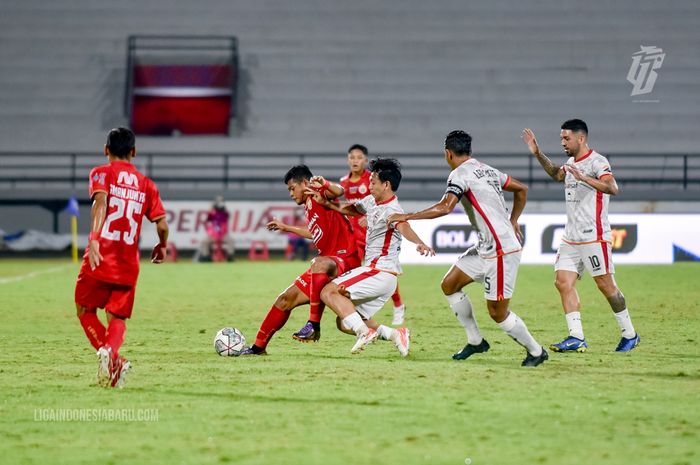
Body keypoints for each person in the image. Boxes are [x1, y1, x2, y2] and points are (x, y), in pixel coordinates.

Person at [388, 130, 548, 367]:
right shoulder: (488, 170)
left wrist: (407, 215)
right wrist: (513, 220)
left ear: (448, 153)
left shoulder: (458, 175)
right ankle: (476, 341)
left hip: (501, 251)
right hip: (486, 247)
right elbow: (521, 189)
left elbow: (445, 208)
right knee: (449, 284)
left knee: (498, 313)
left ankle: (536, 351)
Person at [522, 119, 640, 352]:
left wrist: (584, 178)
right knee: (562, 282)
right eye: (561, 138)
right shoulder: (570, 163)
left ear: (581, 138)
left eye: (566, 138)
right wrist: (538, 154)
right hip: (571, 238)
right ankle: (576, 336)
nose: (563, 142)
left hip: (594, 236)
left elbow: (612, 188)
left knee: (606, 286)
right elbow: (557, 174)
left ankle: (630, 334)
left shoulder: (597, 162)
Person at [74, 127, 169, 388]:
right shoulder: (146, 184)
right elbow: (161, 224)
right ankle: (113, 358)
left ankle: (110, 355)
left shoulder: (101, 173)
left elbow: (100, 202)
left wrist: (93, 238)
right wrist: (162, 245)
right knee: (117, 318)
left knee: (85, 310)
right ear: (134, 152)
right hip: (128, 263)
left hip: (100, 256)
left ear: (106, 150)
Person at [317, 158, 434, 356]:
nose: (369, 186)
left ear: (386, 185)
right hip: (382, 276)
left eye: (373, 182)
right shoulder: (372, 201)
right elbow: (352, 209)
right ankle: (396, 334)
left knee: (327, 291)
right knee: (344, 322)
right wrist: (327, 203)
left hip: (379, 271)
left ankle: (363, 333)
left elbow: (404, 226)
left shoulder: (392, 210)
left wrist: (419, 243)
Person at [240, 164, 362, 354]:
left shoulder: (317, 192)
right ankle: (257, 349)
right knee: (284, 300)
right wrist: (286, 227)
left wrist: (324, 184)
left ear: (304, 183)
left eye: (292, 188)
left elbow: (339, 190)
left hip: (345, 259)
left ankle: (313, 324)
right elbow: (315, 234)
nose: (290, 193)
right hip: (329, 262)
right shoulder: (308, 206)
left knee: (318, 263)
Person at [340, 144, 406, 325]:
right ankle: (355, 310)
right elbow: (347, 207)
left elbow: (380, 207)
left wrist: (371, 218)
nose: (355, 160)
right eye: (352, 157)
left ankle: (398, 304)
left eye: (359, 157)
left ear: (365, 160)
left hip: (370, 234)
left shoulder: (374, 180)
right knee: (359, 272)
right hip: (351, 235)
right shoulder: (344, 182)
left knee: (379, 271)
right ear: (348, 160)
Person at [198, 196, 235, 262]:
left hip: (223, 234)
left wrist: (223, 207)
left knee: (231, 241)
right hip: (213, 234)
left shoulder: (224, 213)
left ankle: (230, 256)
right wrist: (212, 206)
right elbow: (208, 217)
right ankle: (206, 257)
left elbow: (228, 214)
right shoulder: (213, 213)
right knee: (204, 242)